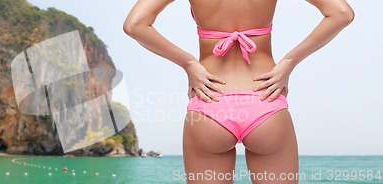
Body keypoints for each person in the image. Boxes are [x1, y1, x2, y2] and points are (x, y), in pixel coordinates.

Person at [124, 0, 354, 183]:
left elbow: (134, 25)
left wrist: (189, 63)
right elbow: (341, 13)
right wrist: (288, 62)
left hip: (210, 100)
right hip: (266, 98)